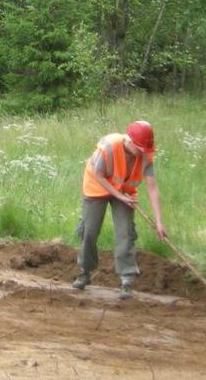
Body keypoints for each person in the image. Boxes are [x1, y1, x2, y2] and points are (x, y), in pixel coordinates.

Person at [72, 120, 167, 299]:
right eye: (140, 148)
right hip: (97, 186)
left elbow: (153, 189)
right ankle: (85, 272)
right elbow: (99, 175)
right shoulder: (109, 147)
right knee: (89, 231)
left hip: (124, 191)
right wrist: (118, 195)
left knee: (126, 232)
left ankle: (126, 280)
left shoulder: (146, 155)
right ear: (129, 141)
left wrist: (159, 223)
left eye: (145, 149)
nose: (143, 153)